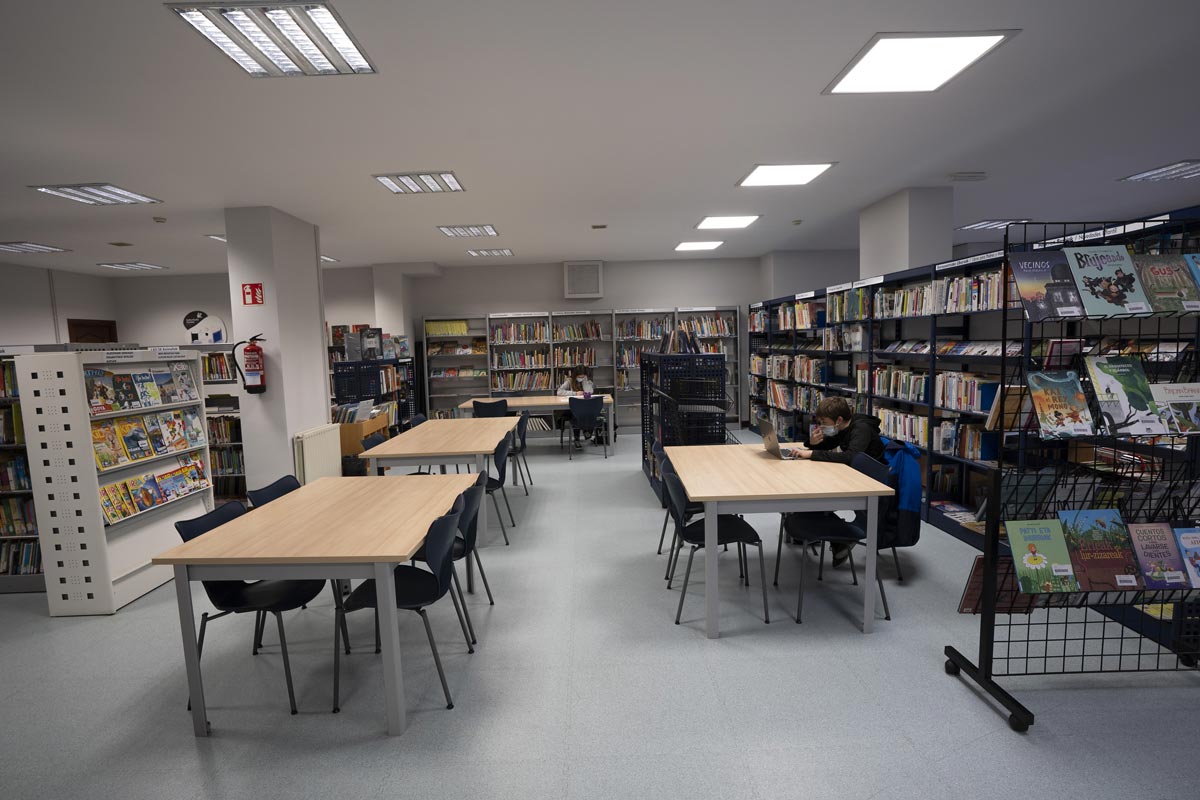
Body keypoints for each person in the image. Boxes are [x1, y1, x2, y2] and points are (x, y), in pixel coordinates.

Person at [783, 396, 885, 567]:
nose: (822, 426)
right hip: (852, 476)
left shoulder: (861, 429)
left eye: (824, 422)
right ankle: (830, 536)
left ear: (838, 420)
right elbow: (828, 445)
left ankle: (839, 537)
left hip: (869, 484)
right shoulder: (843, 429)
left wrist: (812, 454)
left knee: (816, 497)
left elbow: (850, 456)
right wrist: (813, 444)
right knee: (811, 493)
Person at [556, 368, 595, 449]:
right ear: (575, 376)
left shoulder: (587, 381)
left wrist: (585, 382)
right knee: (576, 414)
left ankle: (586, 432)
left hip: (585, 406)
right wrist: (575, 393)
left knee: (589, 413)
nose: (581, 378)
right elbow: (559, 392)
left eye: (583, 377)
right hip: (572, 408)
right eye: (579, 377)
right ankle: (579, 436)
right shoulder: (569, 381)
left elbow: (590, 392)